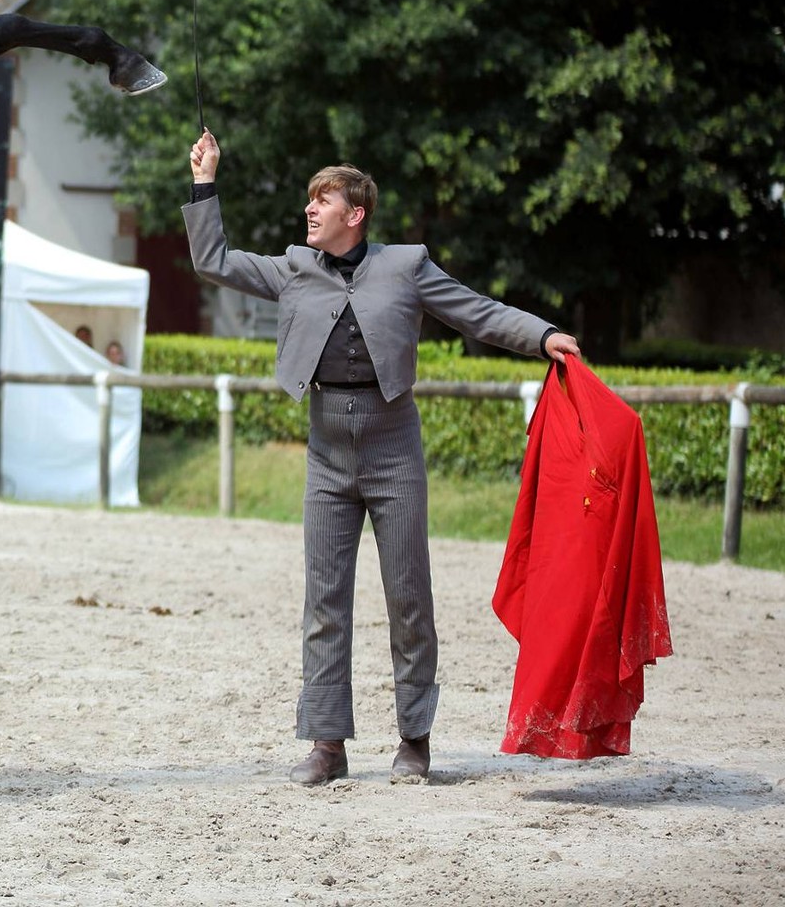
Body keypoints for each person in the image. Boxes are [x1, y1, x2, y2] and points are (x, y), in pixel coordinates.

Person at [183, 130, 578, 786]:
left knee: (409, 599)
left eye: (322, 201)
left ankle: (414, 742)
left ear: (354, 213)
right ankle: (327, 746)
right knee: (324, 602)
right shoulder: (291, 269)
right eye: (310, 202)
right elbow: (213, 259)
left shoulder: (407, 266)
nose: (309, 211)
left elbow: (476, 312)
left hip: (394, 445)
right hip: (327, 450)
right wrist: (205, 180)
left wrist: (541, 336)